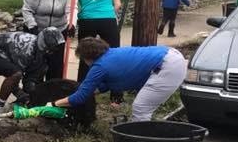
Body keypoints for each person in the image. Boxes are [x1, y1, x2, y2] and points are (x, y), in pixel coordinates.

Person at [48, 38, 187, 122]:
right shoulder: (111, 54)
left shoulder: (99, 66)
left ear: (87, 56)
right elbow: (108, 84)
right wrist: (92, 91)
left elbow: (80, 96)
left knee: (141, 107)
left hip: (167, 66)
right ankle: (140, 135)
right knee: (143, 107)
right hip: (170, 56)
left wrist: (54, 104)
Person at [0, 27, 65, 111]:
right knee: (15, 74)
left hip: (4, 56)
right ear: (44, 44)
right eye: (51, 48)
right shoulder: (26, 48)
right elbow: (14, 77)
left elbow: (31, 77)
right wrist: (21, 95)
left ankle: (24, 101)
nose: (53, 51)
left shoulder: (39, 52)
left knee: (33, 72)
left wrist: (32, 96)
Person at [71, 0, 124, 104]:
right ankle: (116, 98)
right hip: (108, 19)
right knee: (115, 54)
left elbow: (75, 6)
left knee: (85, 55)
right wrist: (109, 14)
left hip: (87, 20)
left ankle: (81, 93)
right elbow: (117, 4)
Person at [21, 0, 77, 81]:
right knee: (36, 63)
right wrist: (32, 27)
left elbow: (71, 9)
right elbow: (27, 9)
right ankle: (33, 91)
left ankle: (53, 91)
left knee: (56, 65)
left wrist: (71, 24)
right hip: (36, 28)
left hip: (58, 30)